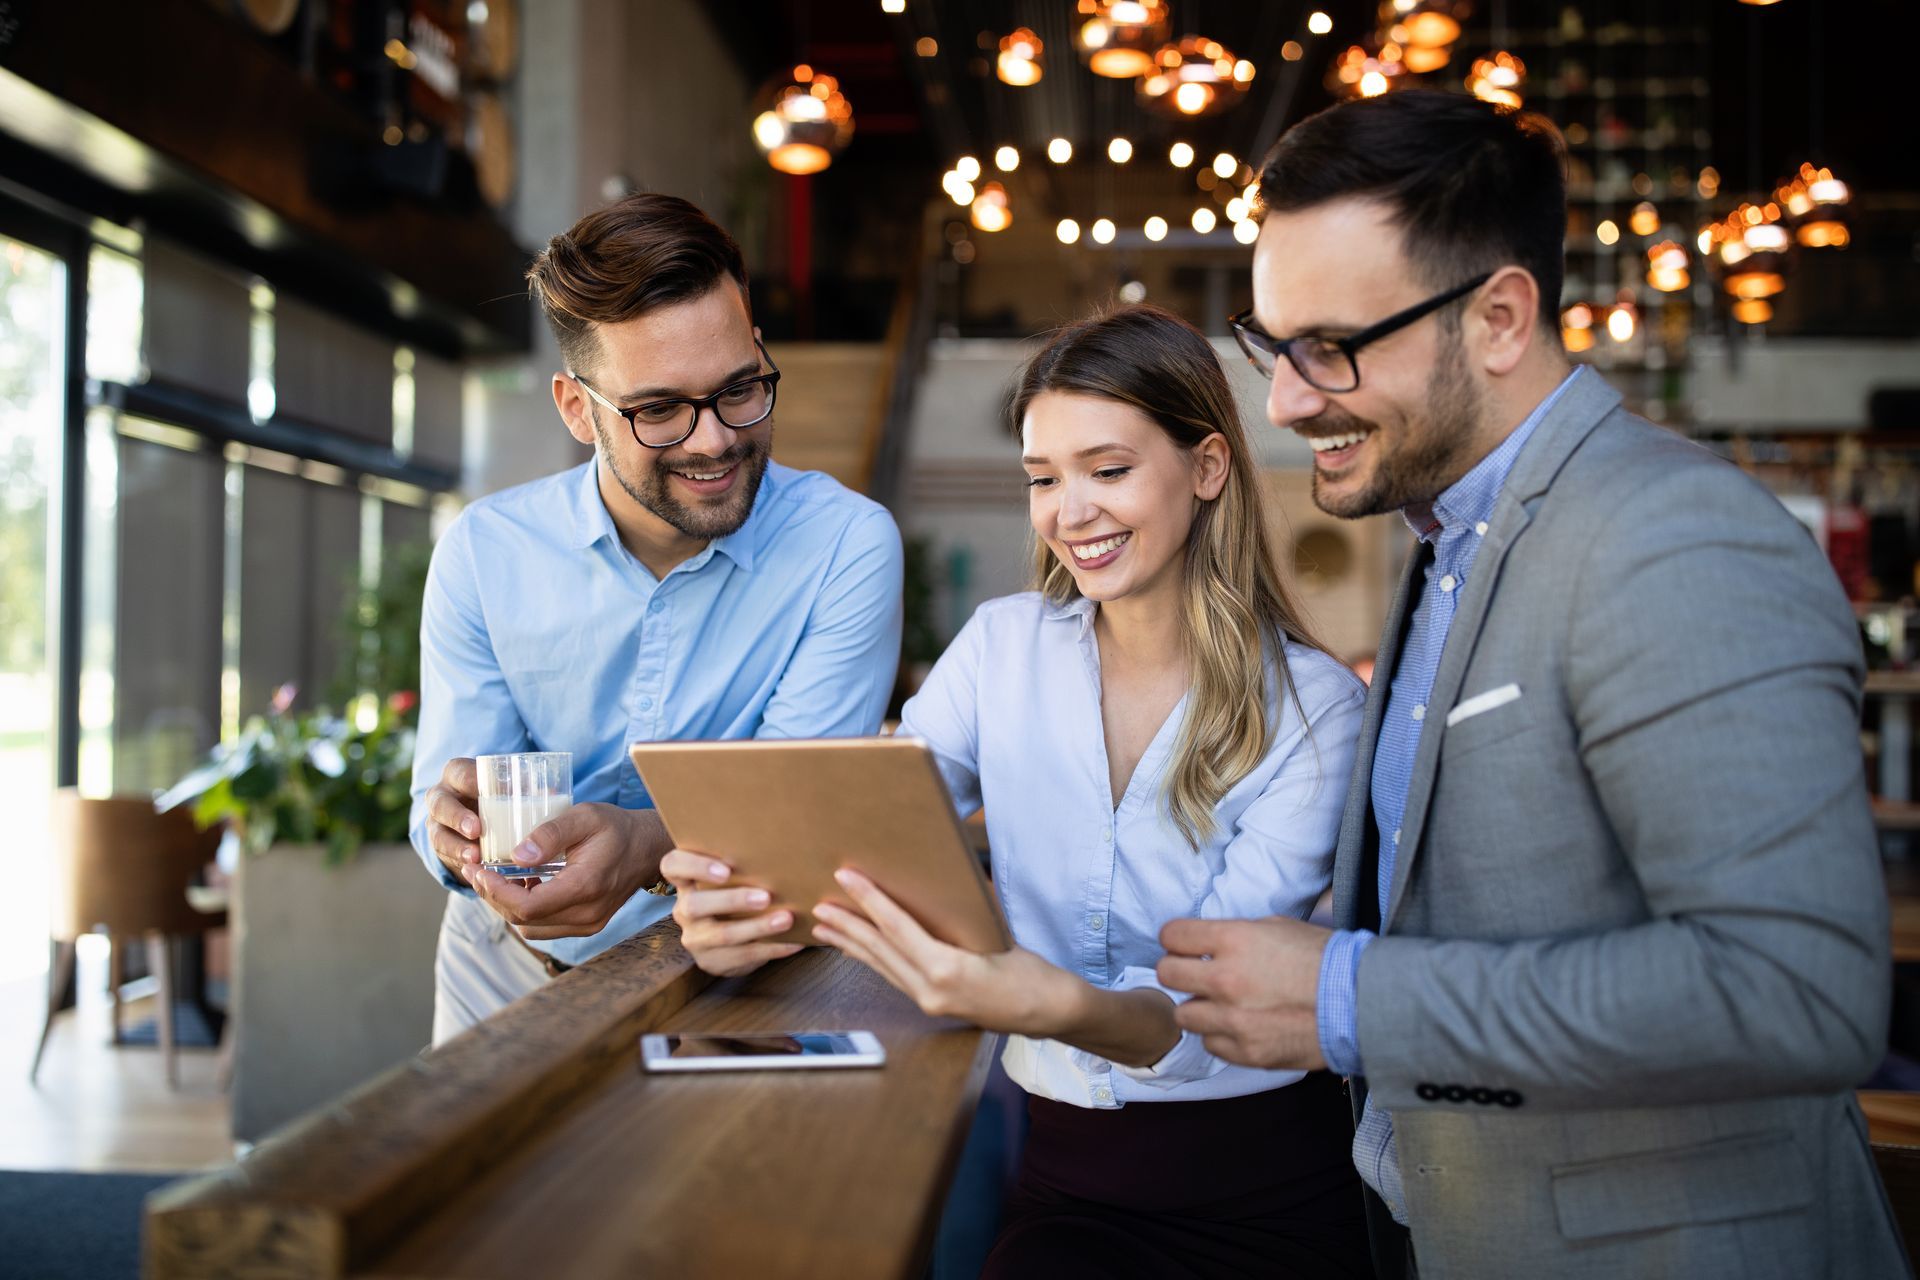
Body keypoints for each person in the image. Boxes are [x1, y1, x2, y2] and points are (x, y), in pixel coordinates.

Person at [1156, 90, 1906, 1279]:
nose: (1287, 400)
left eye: (1331, 347)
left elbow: (1793, 989)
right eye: (1274, 346)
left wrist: (1352, 995)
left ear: (1499, 318)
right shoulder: (1450, 532)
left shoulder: (1672, 536)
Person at [666, 305, 1374, 1278]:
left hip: (1266, 1186)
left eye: (1107, 470)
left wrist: (1051, 1002)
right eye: (1044, 478)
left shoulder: (1316, 708)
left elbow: (1211, 1005)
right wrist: (746, 905)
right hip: (1065, 1174)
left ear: (1208, 467)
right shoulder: (1000, 648)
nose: (1069, 513)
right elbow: (863, 825)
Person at [408, 194, 903, 1043]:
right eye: (660, 409)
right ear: (578, 409)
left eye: (740, 389)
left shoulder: (845, 545)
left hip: (735, 979)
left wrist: (644, 846)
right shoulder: (484, 553)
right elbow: (443, 798)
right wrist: (454, 836)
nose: (713, 441)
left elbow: (797, 805)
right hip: (500, 969)